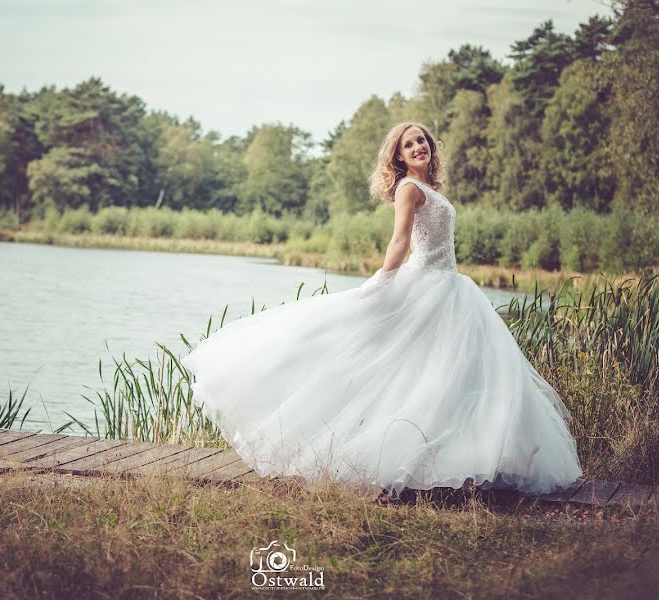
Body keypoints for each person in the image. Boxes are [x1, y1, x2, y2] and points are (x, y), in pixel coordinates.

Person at [181, 121, 583, 502]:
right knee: (413, 371)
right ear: (399, 156)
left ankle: (458, 464)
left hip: (451, 286)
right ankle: (409, 466)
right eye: (409, 144)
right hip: (426, 284)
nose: (418, 146)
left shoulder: (430, 188)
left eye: (422, 140)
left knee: (448, 374)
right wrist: (381, 281)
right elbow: (400, 241)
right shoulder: (409, 188)